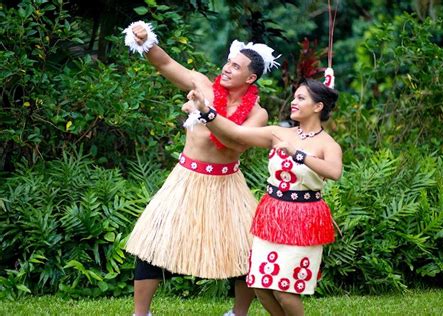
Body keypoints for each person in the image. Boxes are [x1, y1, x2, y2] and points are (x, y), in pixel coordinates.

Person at [123, 22, 280, 316]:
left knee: (245, 248)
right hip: (185, 179)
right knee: (153, 243)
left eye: (236, 66)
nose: (228, 68)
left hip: (226, 184)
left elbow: (234, 143)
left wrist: (206, 114)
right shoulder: (202, 86)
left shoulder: (258, 114)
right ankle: (140, 313)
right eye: (229, 62)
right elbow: (166, 63)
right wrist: (145, 40)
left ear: (252, 77)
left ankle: (238, 313)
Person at [187, 78, 342, 316]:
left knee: (285, 291)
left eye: (301, 98)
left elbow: (334, 172)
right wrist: (206, 111)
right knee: (260, 284)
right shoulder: (278, 133)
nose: (293, 102)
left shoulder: (327, 144)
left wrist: (297, 154)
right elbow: (236, 133)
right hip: (272, 213)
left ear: (318, 106)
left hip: (304, 218)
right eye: (294, 97)